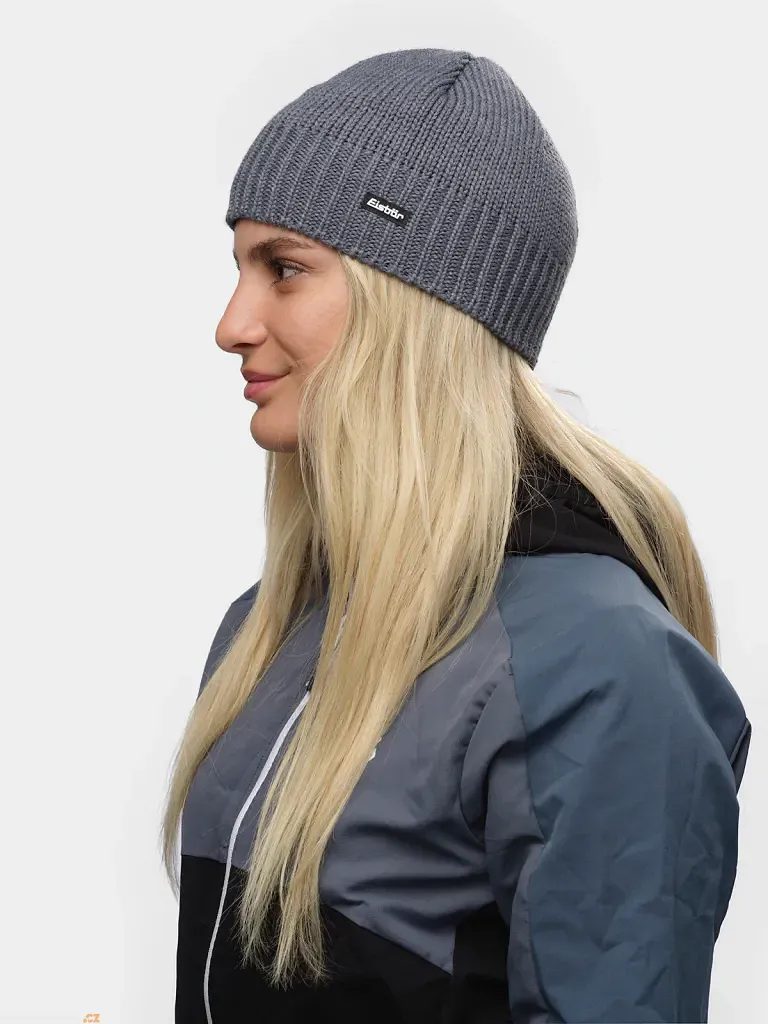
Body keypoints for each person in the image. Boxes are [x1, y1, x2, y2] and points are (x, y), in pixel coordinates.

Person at [161, 48, 751, 1023]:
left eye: (285, 269)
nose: (232, 324)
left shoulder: (595, 665)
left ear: (416, 301)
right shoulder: (270, 629)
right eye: (240, 268)